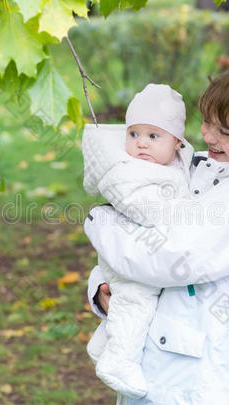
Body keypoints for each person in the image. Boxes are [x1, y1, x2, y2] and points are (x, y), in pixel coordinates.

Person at [84, 63, 229, 404]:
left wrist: (101, 224)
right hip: (153, 355)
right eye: (207, 122)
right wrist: (103, 290)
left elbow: (172, 258)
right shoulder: (202, 168)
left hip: (190, 376)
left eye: (224, 132)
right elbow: (144, 228)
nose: (208, 136)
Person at [82, 84, 195, 398]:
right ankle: (119, 360)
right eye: (134, 134)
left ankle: (104, 343)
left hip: (141, 249)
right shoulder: (127, 170)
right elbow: (142, 207)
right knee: (136, 303)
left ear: (177, 143)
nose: (141, 143)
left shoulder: (174, 167)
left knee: (132, 305)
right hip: (131, 253)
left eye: (153, 136)